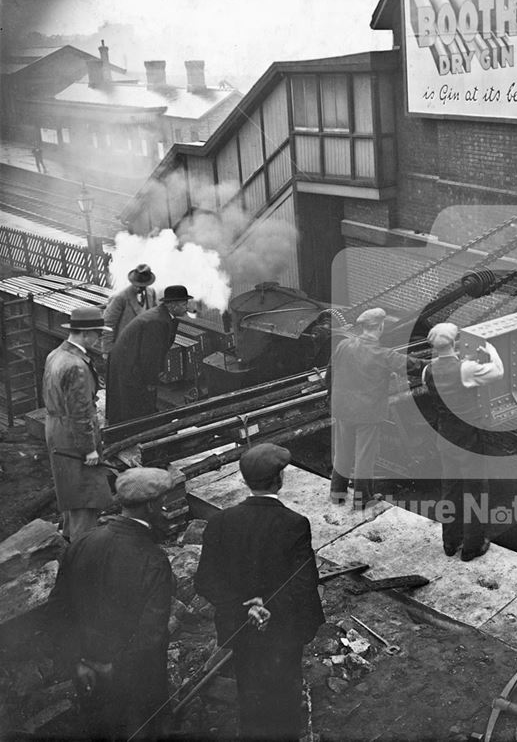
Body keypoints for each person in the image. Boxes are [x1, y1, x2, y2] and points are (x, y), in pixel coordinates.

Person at [195, 443, 324, 741]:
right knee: (284, 690)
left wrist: (246, 608)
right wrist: (269, 606)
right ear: (279, 479)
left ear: (244, 480)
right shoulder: (294, 523)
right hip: (282, 628)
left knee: (249, 688)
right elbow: (304, 582)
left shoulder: (219, 522)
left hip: (241, 627)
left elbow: (205, 581)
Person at [48, 467, 174, 740]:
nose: (165, 508)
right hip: (137, 682)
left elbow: (58, 609)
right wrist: (113, 667)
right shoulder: (153, 559)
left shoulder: (82, 542)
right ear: (151, 506)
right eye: (162, 501)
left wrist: (77, 662)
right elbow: (152, 633)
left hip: (86, 673)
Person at [422, 322, 504, 561]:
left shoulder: (427, 371)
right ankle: (472, 547)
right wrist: (490, 347)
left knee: (450, 490)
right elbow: (497, 371)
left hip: (445, 436)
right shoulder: (465, 369)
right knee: (476, 491)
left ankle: (450, 543)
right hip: (468, 438)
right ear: (455, 342)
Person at [327, 307, 424, 506]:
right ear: (380, 327)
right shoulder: (384, 354)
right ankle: (363, 499)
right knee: (364, 456)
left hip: (343, 408)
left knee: (342, 450)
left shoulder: (343, 345)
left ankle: (337, 493)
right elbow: (414, 366)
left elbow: (330, 375)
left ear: (362, 327)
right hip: (367, 412)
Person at [42, 307, 114, 541]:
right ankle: (83, 548)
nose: (98, 339)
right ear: (86, 333)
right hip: (73, 436)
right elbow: (80, 413)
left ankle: (69, 537)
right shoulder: (76, 366)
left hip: (56, 429)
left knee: (70, 490)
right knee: (86, 495)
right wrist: (89, 448)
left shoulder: (56, 355)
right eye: (97, 334)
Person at [106, 284, 193, 424]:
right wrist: (151, 380)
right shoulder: (158, 322)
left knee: (135, 403)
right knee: (133, 405)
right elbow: (150, 355)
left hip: (130, 360)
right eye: (184, 304)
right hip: (128, 364)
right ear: (173, 305)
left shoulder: (164, 316)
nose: (187, 307)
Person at [103, 264, 157, 353]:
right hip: (124, 347)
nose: (140, 287)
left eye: (143, 285)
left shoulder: (151, 293)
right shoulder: (120, 297)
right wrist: (107, 351)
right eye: (137, 284)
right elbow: (108, 324)